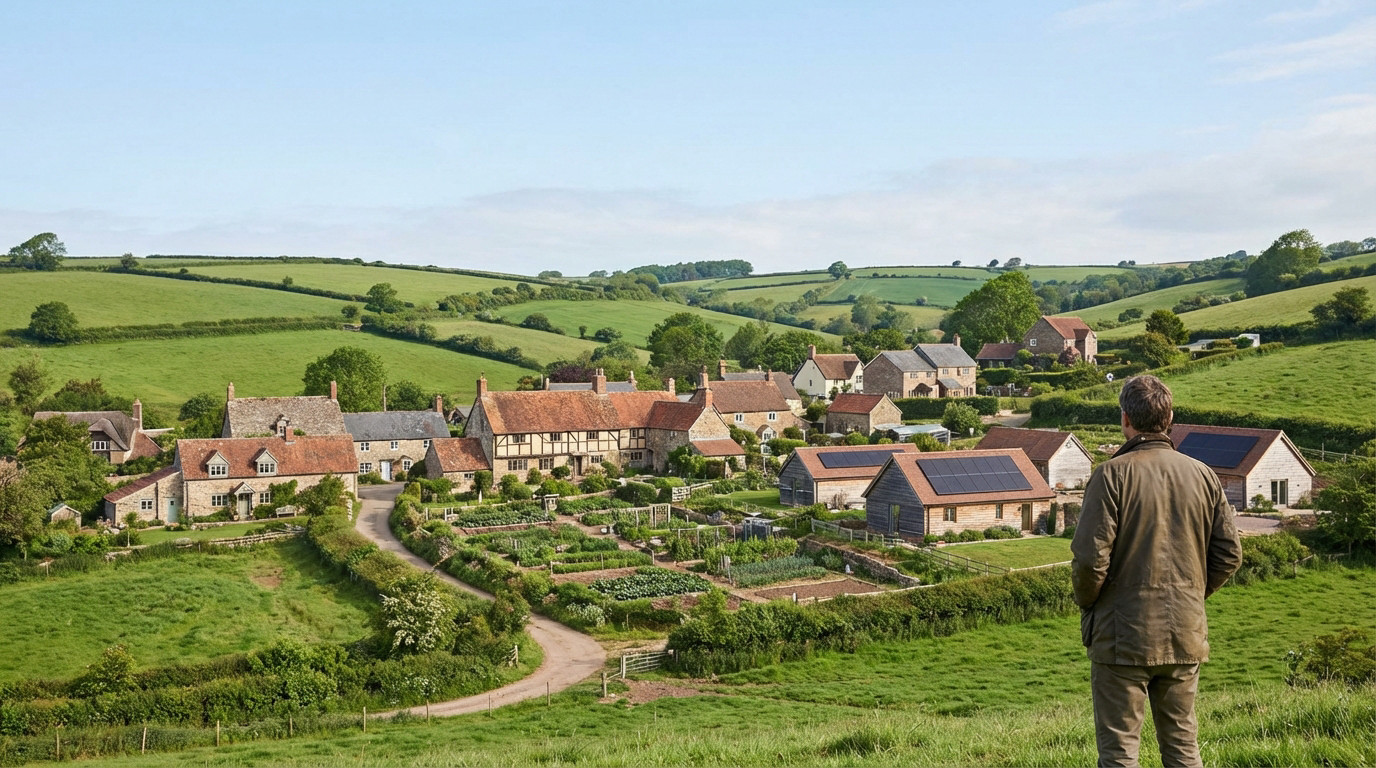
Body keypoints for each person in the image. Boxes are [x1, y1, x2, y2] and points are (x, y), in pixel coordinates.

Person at [1071, 375, 1242, 767]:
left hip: (1121, 635)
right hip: (1185, 631)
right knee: (1183, 746)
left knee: (1119, 752)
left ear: (1125, 419)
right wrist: (1191, 593)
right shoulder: (1203, 475)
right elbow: (1230, 553)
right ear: (1170, 418)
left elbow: (1088, 559)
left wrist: (1092, 605)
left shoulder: (1110, 475)